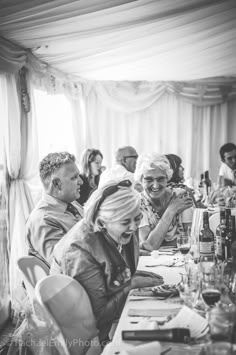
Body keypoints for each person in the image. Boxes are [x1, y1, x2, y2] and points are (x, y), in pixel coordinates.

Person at [51, 180, 163, 344]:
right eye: (125, 222)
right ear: (102, 222)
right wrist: (132, 284)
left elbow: (115, 272)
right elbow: (97, 315)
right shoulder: (80, 251)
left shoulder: (117, 231)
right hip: (79, 337)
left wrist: (134, 277)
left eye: (137, 219)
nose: (133, 228)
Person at [25, 152, 83, 267]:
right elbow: (67, 264)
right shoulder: (43, 220)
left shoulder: (73, 204)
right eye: (74, 177)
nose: (81, 181)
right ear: (57, 184)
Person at [135, 153, 193, 250]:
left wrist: (157, 239)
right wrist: (171, 210)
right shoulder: (137, 203)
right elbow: (149, 245)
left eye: (160, 179)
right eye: (149, 180)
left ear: (167, 178)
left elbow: (191, 239)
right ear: (141, 180)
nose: (155, 185)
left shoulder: (180, 196)